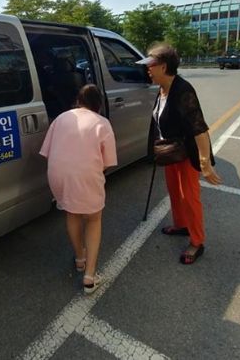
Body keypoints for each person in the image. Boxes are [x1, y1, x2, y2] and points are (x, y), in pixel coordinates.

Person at [137, 43, 222, 265]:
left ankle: (197, 241)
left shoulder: (183, 90)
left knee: (190, 198)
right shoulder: (162, 89)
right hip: (171, 151)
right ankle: (182, 225)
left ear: (163, 67)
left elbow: (199, 129)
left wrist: (205, 163)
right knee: (175, 192)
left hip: (186, 153)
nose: (147, 69)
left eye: (151, 64)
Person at [39, 84, 117, 294]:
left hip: (57, 174)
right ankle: (89, 277)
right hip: (85, 175)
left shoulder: (61, 118)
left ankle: (80, 259)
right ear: (98, 105)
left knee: (72, 213)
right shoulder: (102, 122)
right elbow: (108, 161)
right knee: (93, 219)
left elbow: (47, 151)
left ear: (78, 101)